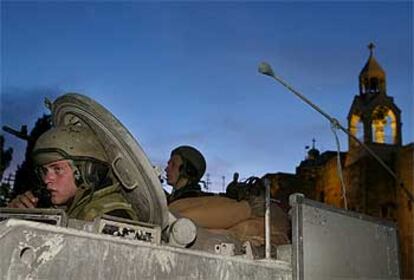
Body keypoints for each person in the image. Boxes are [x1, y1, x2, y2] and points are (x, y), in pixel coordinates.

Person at [7, 125, 138, 221]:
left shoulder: (110, 218)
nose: (47, 179)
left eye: (57, 169)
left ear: (88, 172)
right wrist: (17, 216)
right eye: (44, 171)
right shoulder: (72, 207)